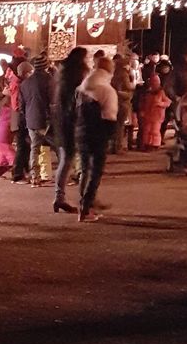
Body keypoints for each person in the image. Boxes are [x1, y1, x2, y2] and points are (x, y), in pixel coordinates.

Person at [75, 55, 118, 222]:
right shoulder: (107, 89)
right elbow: (110, 116)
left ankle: (84, 204)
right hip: (98, 133)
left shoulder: (83, 87)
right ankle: (86, 207)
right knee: (95, 171)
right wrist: (110, 136)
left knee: (85, 169)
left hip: (81, 132)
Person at [51, 46, 90, 213]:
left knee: (66, 160)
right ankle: (81, 200)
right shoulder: (75, 80)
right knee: (72, 160)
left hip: (62, 123)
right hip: (71, 124)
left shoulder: (63, 77)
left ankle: (59, 197)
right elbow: (76, 104)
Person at [19, 54, 54, 185]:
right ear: (45, 66)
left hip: (31, 120)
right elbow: (53, 101)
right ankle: (66, 176)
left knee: (34, 148)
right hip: (46, 120)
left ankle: (35, 176)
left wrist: (27, 116)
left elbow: (21, 105)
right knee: (59, 147)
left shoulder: (25, 83)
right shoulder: (49, 80)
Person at [8, 59, 31, 182]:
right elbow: (17, 104)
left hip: (17, 118)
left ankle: (24, 171)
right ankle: (17, 174)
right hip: (19, 119)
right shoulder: (18, 85)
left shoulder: (16, 82)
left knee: (25, 146)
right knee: (22, 146)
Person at [137, 73, 171, 150]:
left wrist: (160, 104)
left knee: (155, 130)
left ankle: (155, 144)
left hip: (157, 115)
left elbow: (168, 102)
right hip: (148, 114)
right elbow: (143, 103)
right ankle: (147, 144)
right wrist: (142, 111)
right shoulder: (147, 92)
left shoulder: (161, 92)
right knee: (147, 130)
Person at [109, 54, 133, 153]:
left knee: (115, 126)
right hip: (122, 102)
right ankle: (118, 147)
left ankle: (112, 146)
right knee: (120, 126)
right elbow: (128, 87)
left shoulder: (113, 74)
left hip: (113, 101)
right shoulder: (124, 74)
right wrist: (132, 85)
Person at [0, 94, 15, 166]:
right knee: (11, 156)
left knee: (1, 157)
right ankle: (15, 170)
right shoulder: (11, 111)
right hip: (3, 135)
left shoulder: (3, 109)